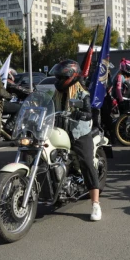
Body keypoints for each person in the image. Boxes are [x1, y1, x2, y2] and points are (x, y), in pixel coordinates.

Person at [51, 59, 102, 221]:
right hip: (58, 131)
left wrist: (83, 113)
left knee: (86, 161)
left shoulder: (81, 92)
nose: (58, 81)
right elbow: (46, 106)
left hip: (78, 132)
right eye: (57, 78)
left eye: (61, 77)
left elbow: (89, 110)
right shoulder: (55, 93)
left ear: (71, 77)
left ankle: (95, 203)